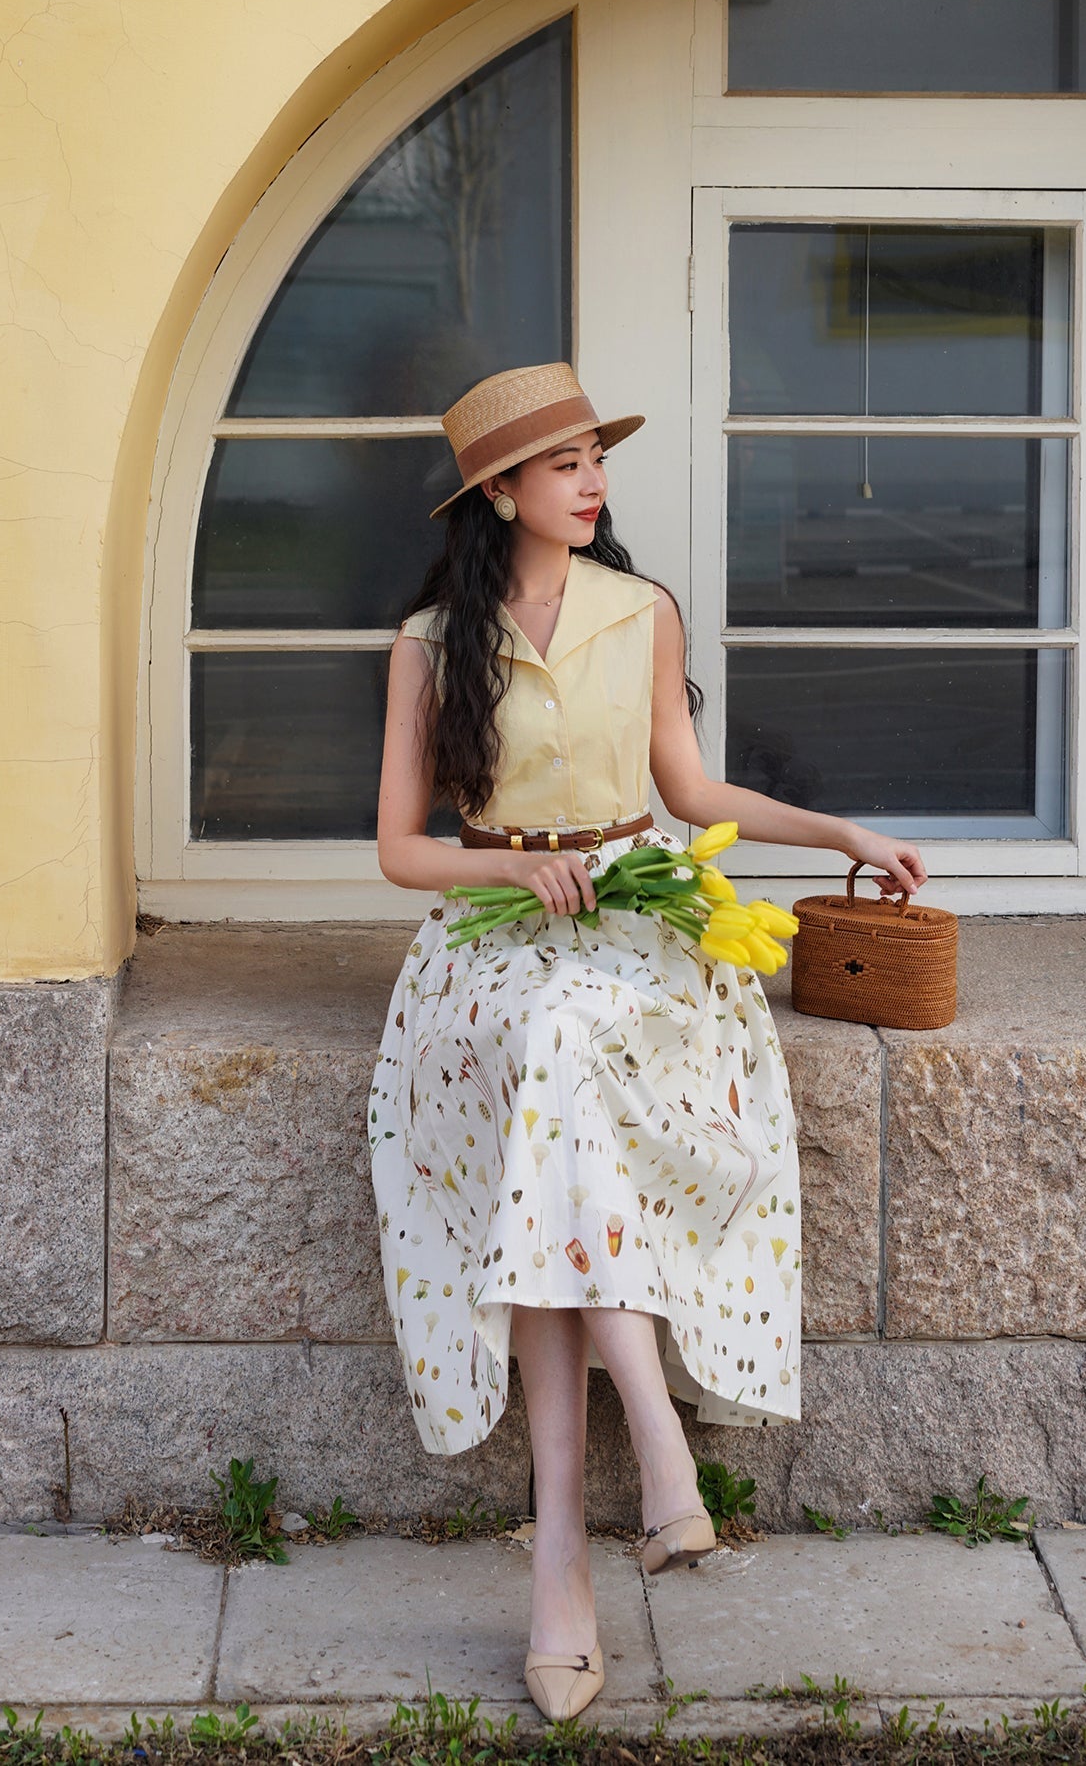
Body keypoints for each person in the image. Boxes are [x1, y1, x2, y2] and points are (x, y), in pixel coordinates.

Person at [369, 361, 927, 1721]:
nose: (592, 479)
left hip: (635, 924)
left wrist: (839, 831)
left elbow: (687, 792)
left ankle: (563, 1555)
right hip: (493, 944)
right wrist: (508, 878)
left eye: (593, 457)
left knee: (567, 1070)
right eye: (562, 463)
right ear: (499, 492)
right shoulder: (431, 645)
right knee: (553, 1052)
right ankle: (652, 1453)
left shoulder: (644, 613)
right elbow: (398, 853)